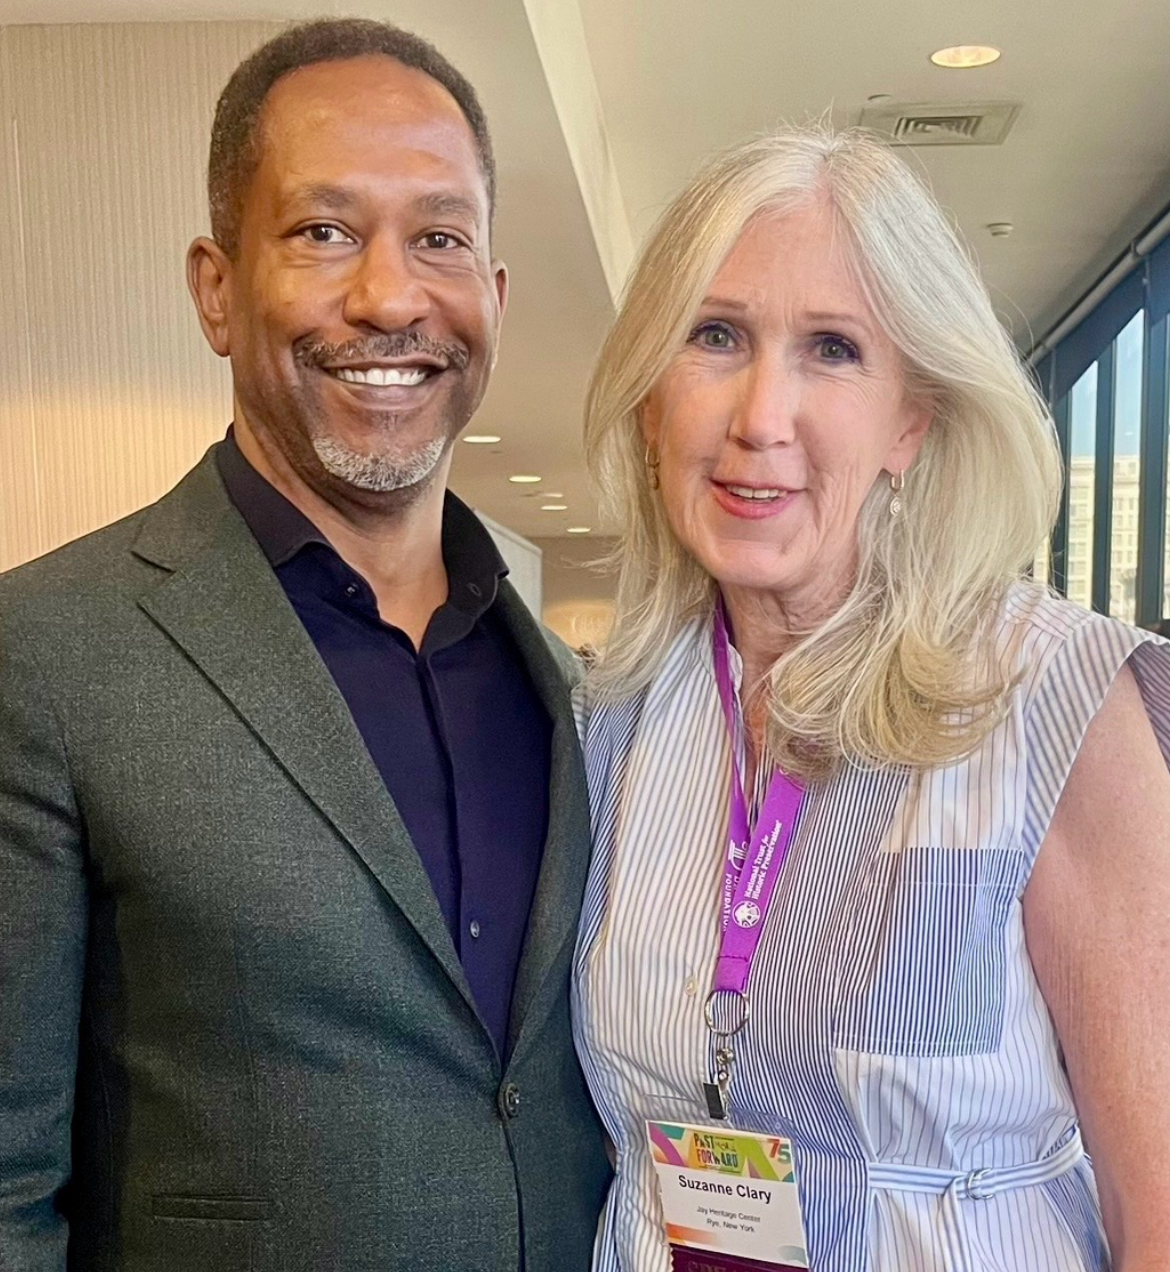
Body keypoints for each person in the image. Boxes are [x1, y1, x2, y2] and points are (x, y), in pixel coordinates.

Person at [0, 19, 608, 1272]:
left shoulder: (577, 688)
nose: (389, 297)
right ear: (217, 289)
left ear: (491, 299)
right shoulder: (46, 653)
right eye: (324, 233)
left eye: (438, 238)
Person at [573, 125, 1170, 1272]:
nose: (760, 415)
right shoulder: (620, 711)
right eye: (716, 336)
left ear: (912, 419)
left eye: (833, 350)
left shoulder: (1051, 703)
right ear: (652, 396)